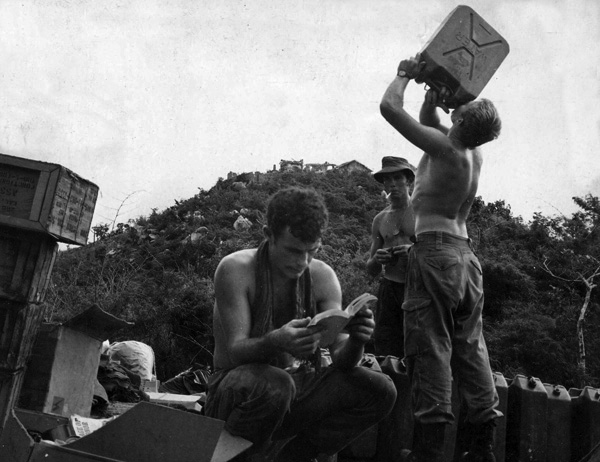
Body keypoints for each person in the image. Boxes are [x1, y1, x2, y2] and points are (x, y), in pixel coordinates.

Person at [204, 186, 397, 462]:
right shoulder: (236, 269)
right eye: (293, 251)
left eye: (311, 252)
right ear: (268, 235)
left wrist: (357, 339)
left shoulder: (322, 276)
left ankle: (294, 456)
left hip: (294, 385)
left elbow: (342, 361)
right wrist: (275, 341)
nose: (302, 262)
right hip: (237, 392)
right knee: (276, 384)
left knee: (380, 389)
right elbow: (236, 350)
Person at [379, 54, 503, 462]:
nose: (453, 110)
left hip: (434, 253)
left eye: (458, 111)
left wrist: (403, 76)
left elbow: (390, 109)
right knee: (471, 347)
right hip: (466, 258)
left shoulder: (447, 148)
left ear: (465, 124)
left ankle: (429, 452)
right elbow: (430, 118)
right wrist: (431, 94)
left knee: (430, 347)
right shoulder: (469, 153)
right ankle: (481, 447)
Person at [367, 156, 416, 358]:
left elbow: (440, 255)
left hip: (417, 288)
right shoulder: (380, 219)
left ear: (408, 180)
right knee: (385, 348)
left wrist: (412, 252)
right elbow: (370, 270)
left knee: (416, 347)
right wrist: (378, 259)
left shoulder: (423, 214)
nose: (392, 184)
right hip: (389, 289)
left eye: (397, 178)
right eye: (387, 180)